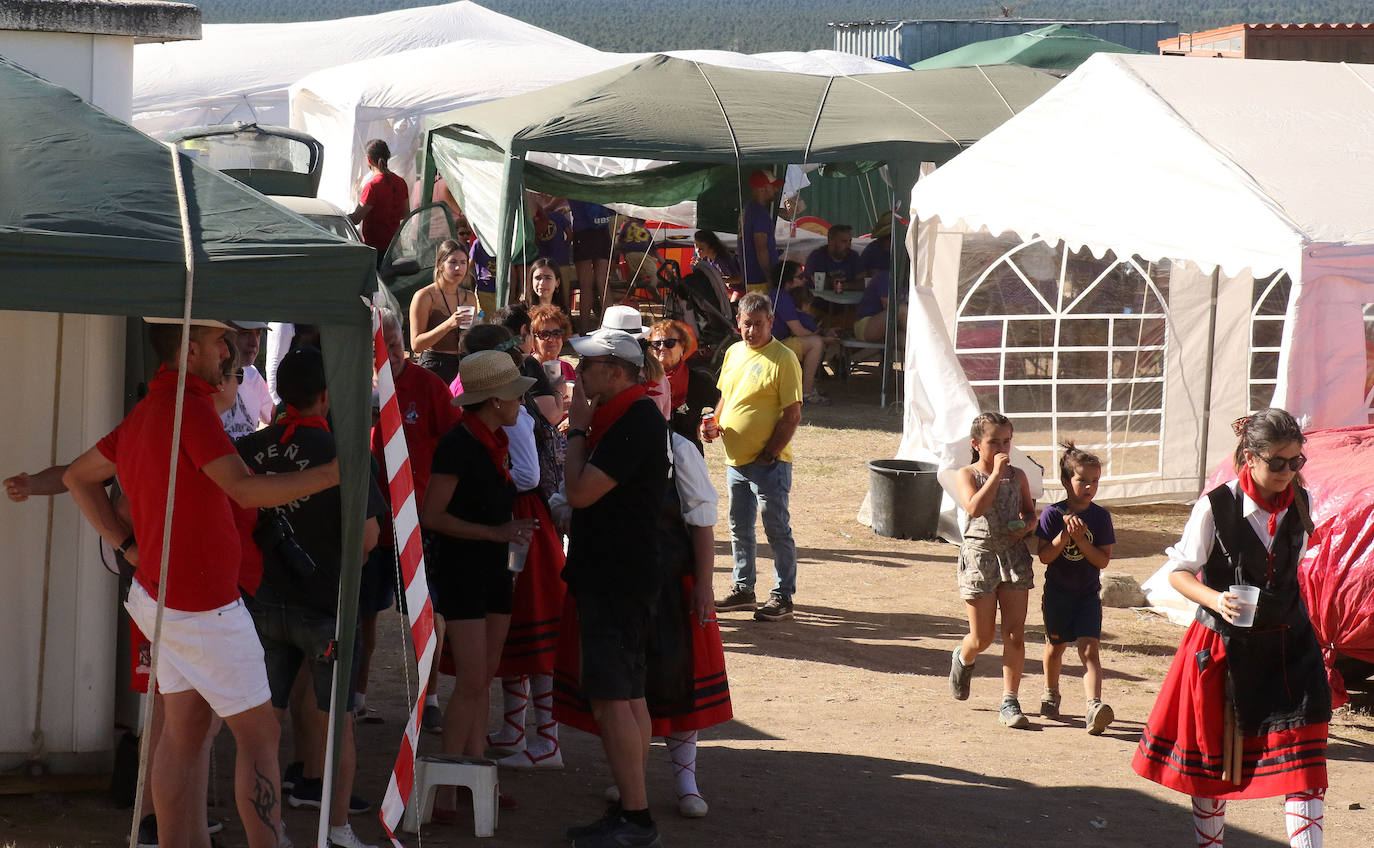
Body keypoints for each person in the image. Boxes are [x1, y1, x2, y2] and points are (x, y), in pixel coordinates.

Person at [62, 318, 339, 848]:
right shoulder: (186, 407)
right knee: (258, 736)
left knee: (184, 733)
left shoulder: (152, 408)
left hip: (163, 596)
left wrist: (126, 545)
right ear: (190, 350)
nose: (229, 352)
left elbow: (77, 477)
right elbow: (244, 491)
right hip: (202, 603)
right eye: (220, 342)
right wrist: (332, 474)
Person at [1132, 409, 1330, 848]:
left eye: (1295, 461)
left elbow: (1293, 570)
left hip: (1289, 647)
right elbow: (1178, 572)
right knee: (1214, 763)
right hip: (1225, 647)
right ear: (1249, 456)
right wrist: (1215, 599)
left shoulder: (1303, 499)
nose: (1287, 471)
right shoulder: (1216, 505)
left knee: (1304, 760)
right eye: (1277, 462)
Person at [552, 374, 730, 820]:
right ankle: (631, 783)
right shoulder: (598, 442)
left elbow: (701, 521)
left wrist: (705, 585)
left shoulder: (678, 447)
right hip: (624, 578)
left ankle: (685, 781)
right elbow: (566, 500)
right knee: (629, 688)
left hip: (672, 581)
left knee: (675, 680)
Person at [238, 347, 386, 848]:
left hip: (263, 600)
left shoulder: (252, 448)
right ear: (328, 396)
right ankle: (338, 829)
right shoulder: (341, 452)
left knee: (262, 722)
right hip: (326, 605)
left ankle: (268, 830)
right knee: (338, 723)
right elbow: (368, 539)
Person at [558, 328, 670, 848]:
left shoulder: (633, 419)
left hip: (617, 578)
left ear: (618, 371)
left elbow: (579, 492)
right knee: (627, 697)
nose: (579, 373)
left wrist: (576, 431)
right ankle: (633, 806)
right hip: (621, 574)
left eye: (590, 364)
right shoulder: (630, 414)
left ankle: (636, 816)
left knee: (613, 700)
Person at [420, 350, 537, 818]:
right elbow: (432, 515)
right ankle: (449, 788)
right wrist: (497, 533)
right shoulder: (459, 444)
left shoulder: (492, 441)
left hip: (493, 569)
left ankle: (474, 777)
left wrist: (505, 537)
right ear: (492, 401)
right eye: (513, 396)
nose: (519, 404)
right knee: (471, 680)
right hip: (464, 571)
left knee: (482, 678)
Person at [459, 326, 568, 769]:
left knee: (533, 633)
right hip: (517, 523)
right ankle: (516, 728)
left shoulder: (517, 418)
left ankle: (547, 740)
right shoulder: (511, 416)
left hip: (523, 525)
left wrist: (492, 479)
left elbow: (527, 475)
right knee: (514, 637)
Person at [369, 310, 461, 732]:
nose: (385, 353)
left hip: (419, 519)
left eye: (391, 343)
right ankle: (356, 698)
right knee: (364, 611)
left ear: (402, 341)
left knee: (427, 610)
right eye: (377, 347)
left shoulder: (428, 386)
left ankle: (432, 696)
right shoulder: (360, 386)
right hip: (372, 521)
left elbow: (453, 443)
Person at [710, 292, 803, 623]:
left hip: (768, 464)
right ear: (738, 322)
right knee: (739, 528)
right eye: (747, 324)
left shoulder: (784, 358)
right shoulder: (734, 352)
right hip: (736, 462)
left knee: (776, 529)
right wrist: (713, 423)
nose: (752, 331)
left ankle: (782, 595)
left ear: (771, 323)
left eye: (758, 325)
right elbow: (725, 396)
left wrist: (770, 453)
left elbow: (792, 413)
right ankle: (743, 589)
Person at [950, 412, 1038, 729]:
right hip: (980, 556)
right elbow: (974, 507)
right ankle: (964, 656)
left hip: (1013, 556)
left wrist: (1027, 525)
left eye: (1006, 441)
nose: (1002, 447)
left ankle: (1009, 700)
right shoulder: (968, 474)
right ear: (977, 444)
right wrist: (994, 474)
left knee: (1015, 634)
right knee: (983, 636)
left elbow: (1030, 512)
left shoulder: (1019, 476)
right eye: (993, 442)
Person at [1034, 443, 1115, 735]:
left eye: (1095, 481)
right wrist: (1064, 537)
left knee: (1090, 650)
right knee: (1055, 648)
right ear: (1067, 481)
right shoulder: (1052, 515)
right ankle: (1050, 692)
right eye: (1083, 480)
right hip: (1057, 594)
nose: (1090, 487)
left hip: (1087, 596)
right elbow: (1044, 556)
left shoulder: (1101, 517)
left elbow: (1102, 560)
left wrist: (1081, 540)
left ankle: (1094, 706)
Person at [410, 239, 479, 384]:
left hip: (463, 365)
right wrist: (448, 324)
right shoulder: (424, 296)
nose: (458, 268)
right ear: (440, 265)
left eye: (463, 262)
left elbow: (470, 340)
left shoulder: (469, 297)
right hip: (434, 365)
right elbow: (416, 345)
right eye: (453, 262)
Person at [647, 319, 718, 454]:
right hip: (653, 457)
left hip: (688, 458)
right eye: (656, 344)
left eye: (669, 343)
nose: (662, 348)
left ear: (683, 347)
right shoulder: (642, 381)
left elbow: (723, 402)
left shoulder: (699, 381)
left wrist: (706, 424)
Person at [769, 261, 834, 407]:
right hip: (773, 347)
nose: (804, 279)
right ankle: (807, 392)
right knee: (816, 343)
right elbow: (798, 331)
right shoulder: (782, 297)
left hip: (777, 343)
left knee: (815, 340)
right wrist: (823, 338)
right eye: (800, 276)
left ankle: (808, 388)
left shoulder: (781, 295)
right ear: (788, 280)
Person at [349, 139, 409, 261]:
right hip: (395, 247)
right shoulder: (401, 182)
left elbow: (356, 219)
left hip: (375, 249)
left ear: (368, 160)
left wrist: (339, 217)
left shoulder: (372, 186)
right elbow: (405, 213)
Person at [220, 321, 274, 440]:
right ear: (223, 333)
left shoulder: (253, 375)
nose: (254, 343)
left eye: (258, 334)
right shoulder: (203, 377)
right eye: (244, 333)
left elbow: (273, 417)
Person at [568, 199, 616, 331]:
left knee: (585, 285)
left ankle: (584, 329)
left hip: (583, 232)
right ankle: (612, 327)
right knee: (603, 282)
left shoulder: (574, 181)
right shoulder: (597, 180)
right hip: (602, 231)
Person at [740, 170, 781, 293]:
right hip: (760, 279)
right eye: (773, 187)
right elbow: (761, 248)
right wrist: (769, 277)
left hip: (752, 276)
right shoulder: (759, 214)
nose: (776, 190)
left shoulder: (749, 209)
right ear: (761, 189)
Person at [532, 195, 575, 305]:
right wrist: (565, 246)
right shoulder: (559, 216)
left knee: (545, 293)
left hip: (544, 263)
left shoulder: (535, 221)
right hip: (562, 260)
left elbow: (535, 240)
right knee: (564, 293)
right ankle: (565, 315)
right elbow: (570, 235)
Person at [803, 224, 864, 293]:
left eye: (850, 241)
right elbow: (822, 284)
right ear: (831, 241)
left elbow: (863, 282)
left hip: (847, 301)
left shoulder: (853, 256)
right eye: (844, 241)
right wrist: (850, 285)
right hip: (818, 300)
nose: (848, 245)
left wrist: (844, 285)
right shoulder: (817, 257)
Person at [529, 304, 576, 383]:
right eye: (544, 334)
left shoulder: (567, 368)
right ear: (533, 340)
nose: (551, 339)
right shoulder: (527, 369)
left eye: (557, 333)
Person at [691, 229, 741, 298]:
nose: (697, 251)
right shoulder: (708, 259)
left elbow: (739, 279)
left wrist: (717, 279)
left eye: (701, 249)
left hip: (741, 289)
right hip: (729, 289)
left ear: (711, 248)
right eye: (695, 247)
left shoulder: (722, 260)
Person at [859, 212, 893, 276]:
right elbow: (859, 272)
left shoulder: (903, 251)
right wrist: (871, 273)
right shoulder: (872, 249)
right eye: (888, 237)